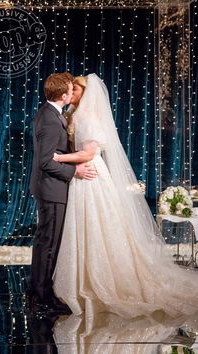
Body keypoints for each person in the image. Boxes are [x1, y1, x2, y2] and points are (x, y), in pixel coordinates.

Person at [53, 73, 198, 320]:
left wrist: (59, 158)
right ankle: (84, 278)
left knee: (97, 222)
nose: (72, 94)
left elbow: (88, 153)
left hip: (90, 174)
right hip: (85, 174)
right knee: (90, 224)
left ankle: (99, 282)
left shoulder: (86, 116)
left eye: (75, 90)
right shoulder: (76, 115)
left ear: (84, 93)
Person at [29, 72, 97, 314]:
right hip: (51, 188)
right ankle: (42, 296)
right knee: (48, 244)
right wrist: (74, 172)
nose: (72, 92)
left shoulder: (51, 114)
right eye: (70, 89)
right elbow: (46, 162)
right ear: (63, 94)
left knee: (46, 242)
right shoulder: (49, 118)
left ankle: (38, 292)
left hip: (51, 188)